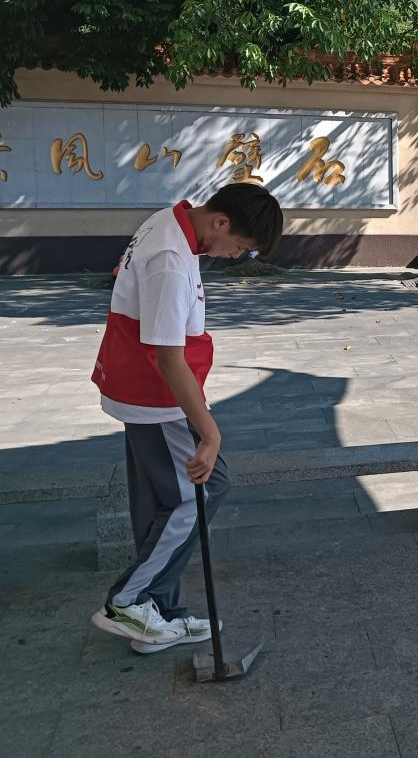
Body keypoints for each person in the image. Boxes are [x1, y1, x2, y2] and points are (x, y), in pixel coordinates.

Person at [90, 184, 283, 653]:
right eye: (239, 246)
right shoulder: (170, 259)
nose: (234, 256)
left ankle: (158, 615)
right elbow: (168, 357)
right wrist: (210, 432)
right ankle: (127, 602)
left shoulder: (172, 221)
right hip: (157, 395)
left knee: (160, 500)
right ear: (220, 221)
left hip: (142, 387)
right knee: (204, 490)